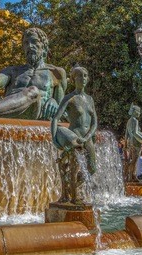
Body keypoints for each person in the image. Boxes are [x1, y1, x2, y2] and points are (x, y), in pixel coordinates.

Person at [51, 65, 97, 203]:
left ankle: (72, 188)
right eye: (79, 75)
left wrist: (88, 137)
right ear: (73, 79)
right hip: (74, 137)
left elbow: (94, 123)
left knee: (92, 169)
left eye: (85, 75)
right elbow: (56, 119)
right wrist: (54, 139)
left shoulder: (90, 99)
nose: (83, 78)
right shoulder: (69, 98)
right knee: (73, 167)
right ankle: (74, 196)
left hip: (87, 138)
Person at [124, 104, 142, 182]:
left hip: (130, 142)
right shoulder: (135, 120)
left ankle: (128, 176)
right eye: (138, 112)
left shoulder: (129, 120)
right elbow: (136, 133)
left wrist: (126, 144)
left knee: (131, 160)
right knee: (134, 161)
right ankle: (132, 176)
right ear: (135, 112)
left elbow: (126, 134)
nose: (139, 113)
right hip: (135, 143)